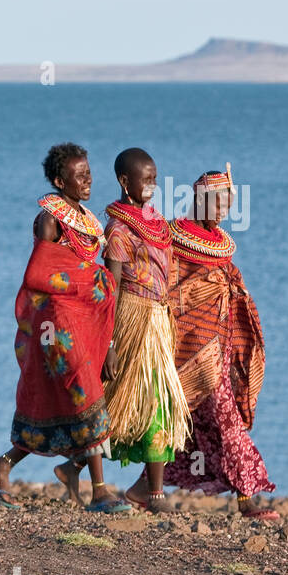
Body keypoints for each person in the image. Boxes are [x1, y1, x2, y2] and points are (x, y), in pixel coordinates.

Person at [0, 143, 128, 513]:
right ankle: (100, 490)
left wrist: (108, 334)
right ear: (61, 181)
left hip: (83, 321)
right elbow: (39, 273)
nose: (88, 180)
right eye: (79, 176)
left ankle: (3, 464)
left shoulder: (88, 220)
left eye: (89, 173)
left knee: (68, 397)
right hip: (56, 322)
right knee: (86, 390)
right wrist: (95, 277)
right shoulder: (51, 219)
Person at [163, 166, 277, 519]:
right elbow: (168, 287)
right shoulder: (174, 236)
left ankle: (142, 487)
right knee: (214, 418)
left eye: (229, 201)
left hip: (220, 345)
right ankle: (247, 495)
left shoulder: (220, 244)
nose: (225, 207)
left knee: (196, 421)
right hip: (188, 346)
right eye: (218, 199)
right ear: (199, 198)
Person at [100, 147, 190, 512]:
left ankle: (139, 488)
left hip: (158, 322)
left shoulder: (156, 222)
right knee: (140, 403)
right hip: (131, 323)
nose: (152, 184)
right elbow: (110, 286)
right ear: (125, 181)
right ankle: (153, 494)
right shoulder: (118, 230)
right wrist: (108, 343)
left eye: (155, 178)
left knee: (157, 403)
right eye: (146, 179)